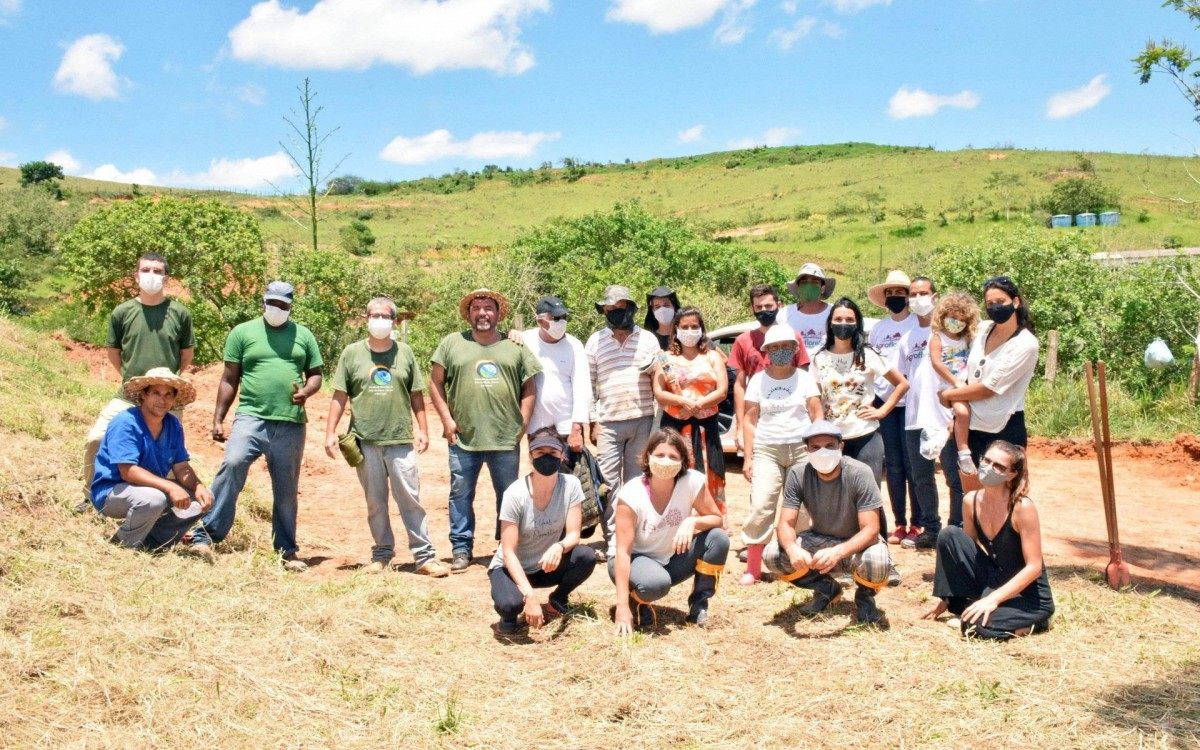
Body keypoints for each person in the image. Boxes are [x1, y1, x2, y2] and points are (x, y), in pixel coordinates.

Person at [189, 281, 323, 571]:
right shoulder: (243, 333)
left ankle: (286, 550)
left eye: (283, 305)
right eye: (271, 303)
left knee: (286, 488)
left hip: (290, 423)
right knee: (233, 464)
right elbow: (228, 378)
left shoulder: (304, 335)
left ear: (291, 306)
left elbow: (316, 374)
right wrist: (218, 418)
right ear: (263, 302)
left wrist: (307, 392)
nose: (276, 309)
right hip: (251, 417)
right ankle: (206, 534)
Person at [325, 298, 450, 578]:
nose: (379, 320)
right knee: (375, 502)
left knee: (410, 500)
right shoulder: (352, 353)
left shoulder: (404, 353)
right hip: (365, 440)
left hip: (399, 441)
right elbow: (340, 395)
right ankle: (382, 555)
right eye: (374, 315)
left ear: (394, 322)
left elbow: (416, 393)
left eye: (385, 316)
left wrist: (423, 428)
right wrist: (330, 431)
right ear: (365, 318)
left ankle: (424, 557)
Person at [429, 288, 542, 572]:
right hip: (463, 436)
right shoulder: (451, 343)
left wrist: (523, 423)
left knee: (508, 495)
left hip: (505, 437)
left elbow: (530, 386)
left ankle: (506, 547)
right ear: (468, 314)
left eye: (488, 308)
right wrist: (446, 420)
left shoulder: (514, 346)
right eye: (476, 308)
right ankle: (461, 548)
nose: (482, 313)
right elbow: (434, 383)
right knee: (461, 494)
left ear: (498, 313)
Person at [83, 252, 195, 503]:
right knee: (96, 438)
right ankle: (91, 495)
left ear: (166, 277)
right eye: (146, 270)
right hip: (129, 395)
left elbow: (186, 354)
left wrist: (166, 383)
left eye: (157, 271)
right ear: (136, 275)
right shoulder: (122, 311)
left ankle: (164, 506)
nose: (151, 275)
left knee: (167, 456)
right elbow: (114, 352)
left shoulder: (180, 313)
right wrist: (132, 380)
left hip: (167, 398)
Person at [762, 421, 892, 625]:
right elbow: (785, 523)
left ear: (841, 447)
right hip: (819, 538)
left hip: (856, 544)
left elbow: (871, 529)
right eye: (815, 447)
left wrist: (839, 552)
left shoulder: (860, 472)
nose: (823, 451)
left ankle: (865, 597)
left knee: (877, 562)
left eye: (830, 446)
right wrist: (793, 549)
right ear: (807, 450)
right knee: (773, 555)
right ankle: (826, 589)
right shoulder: (798, 473)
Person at [923, 441, 1054, 640]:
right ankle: (972, 606)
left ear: (1011, 474)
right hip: (995, 579)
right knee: (949, 535)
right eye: (987, 460)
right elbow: (965, 550)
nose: (988, 468)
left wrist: (992, 599)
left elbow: (1034, 567)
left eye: (998, 466)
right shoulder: (971, 501)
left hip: (1028, 596)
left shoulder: (1022, 507)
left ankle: (1035, 623)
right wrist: (948, 597)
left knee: (973, 626)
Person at [610, 428, 728, 634]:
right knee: (656, 584)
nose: (666, 461)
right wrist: (621, 606)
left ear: (683, 460)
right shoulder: (631, 494)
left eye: (673, 456)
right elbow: (622, 552)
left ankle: (699, 604)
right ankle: (633, 599)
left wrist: (692, 522)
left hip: (670, 556)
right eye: (660, 455)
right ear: (648, 457)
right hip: (634, 559)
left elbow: (717, 519)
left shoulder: (692, 481)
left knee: (718, 539)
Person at [488, 430, 599, 634]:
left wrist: (559, 546)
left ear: (562, 455)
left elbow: (574, 534)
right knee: (510, 606)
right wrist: (530, 596)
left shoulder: (571, 485)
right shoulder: (515, 494)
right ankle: (509, 615)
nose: (546, 456)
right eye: (540, 452)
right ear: (530, 456)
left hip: (546, 565)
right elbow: (508, 553)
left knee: (586, 556)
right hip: (511, 568)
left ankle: (557, 600)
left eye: (552, 451)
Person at [91, 368, 212, 551]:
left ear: (174, 399)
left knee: (203, 499)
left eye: (168, 395)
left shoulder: (173, 425)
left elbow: (181, 467)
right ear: (144, 395)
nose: (162, 400)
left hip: (153, 488)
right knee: (154, 499)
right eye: (156, 393)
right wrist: (171, 487)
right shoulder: (126, 421)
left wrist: (198, 486)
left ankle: (152, 545)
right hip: (112, 491)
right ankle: (122, 546)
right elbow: (128, 471)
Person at [738, 325, 822, 585]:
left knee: (804, 508)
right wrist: (748, 457)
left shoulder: (805, 378)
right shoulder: (757, 380)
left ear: (796, 349)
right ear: (766, 352)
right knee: (762, 504)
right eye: (775, 347)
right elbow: (750, 421)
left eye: (786, 346)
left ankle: (799, 563)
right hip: (767, 449)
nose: (781, 351)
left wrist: (816, 448)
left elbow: (817, 414)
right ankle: (753, 567)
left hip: (800, 448)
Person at [939, 276, 1039, 465]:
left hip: (1004, 428)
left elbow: (988, 389)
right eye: (990, 303)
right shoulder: (982, 330)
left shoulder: (1026, 344)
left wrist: (949, 395)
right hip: (970, 427)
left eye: (1000, 302)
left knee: (1002, 492)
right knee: (971, 492)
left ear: (1015, 302)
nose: (995, 307)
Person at [585, 285, 661, 515]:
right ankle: (612, 543)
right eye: (610, 308)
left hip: (643, 419)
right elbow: (588, 385)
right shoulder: (595, 341)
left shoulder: (648, 339)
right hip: (608, 422)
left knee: (637, 482)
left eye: (620, 307)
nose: (615, 312)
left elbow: (661, 375)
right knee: (607, 484)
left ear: (631, 308)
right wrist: (593, 421)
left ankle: (634, 536)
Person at [898, 276, 962, 549]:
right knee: (921, 477)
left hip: (946, 415)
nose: (917, 299)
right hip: (915, 416)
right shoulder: (907, 337)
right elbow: (902, 377)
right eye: (913, 294)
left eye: (923, 293)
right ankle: (931, 529)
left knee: (954, 476)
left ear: (935, 296)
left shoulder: (950, 331)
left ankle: (957, 530)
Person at [652, 306, 729, 520]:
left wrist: (698, 405)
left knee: (710, 472)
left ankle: (712, 520)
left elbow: (722, 391)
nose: (690, 330)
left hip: (706, 427)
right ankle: (675, 520)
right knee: (675, 471)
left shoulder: (712, 356)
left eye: (694, 326)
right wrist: (682, 401)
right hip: (675, 426)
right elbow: (659, 392)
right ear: (676, 329)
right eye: (684, 327)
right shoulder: (665, 358)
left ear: (701, 329)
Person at [866, 269, 919, 542]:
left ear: (908, 296)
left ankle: (918, 523)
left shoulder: (918, 325)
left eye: (900, 292)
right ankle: (899, 523)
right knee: (894, 466)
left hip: (913, 403)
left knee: (915, 466)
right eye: (891, 293)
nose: (895, 297)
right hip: (885, 403)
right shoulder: (878, 329)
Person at [728, 283, 811, 455]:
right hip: (757, 417)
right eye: (758, 307)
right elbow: (740, 385)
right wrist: (740, 424)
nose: (764, 310)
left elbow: (804, 378)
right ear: (752, 308)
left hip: (792, 418)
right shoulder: (743, 341)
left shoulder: (793, 337)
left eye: (768, 306)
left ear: (778, 305)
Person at [520, 295, 591, 468]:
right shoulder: (524, 340)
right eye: (556, 318)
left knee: (569, 475)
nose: (562, 322)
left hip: (566, 426)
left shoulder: (574, 346)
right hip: (536, 425)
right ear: (540, 321)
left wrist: (577, 428)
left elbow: (582, 387)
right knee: (542, 472)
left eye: (564, 317)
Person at [925, 292, 981, 478]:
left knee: (965, 415)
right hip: (949, 385)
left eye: (961, 318)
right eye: (952, 317)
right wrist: (954, 381)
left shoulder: (966, 339)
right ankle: (963, 452)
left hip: (966, 383)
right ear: (943, 315)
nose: (956, 321)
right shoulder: (937, 337)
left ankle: (954, 430)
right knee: (963, 412)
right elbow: (937, 363)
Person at [783, 263, 835, 354]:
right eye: (804, 282)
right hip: (795, 367)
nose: (809, 285)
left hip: (825, 366)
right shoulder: (784, 314)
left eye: (815, 281)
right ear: (798, 287)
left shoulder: (834, 313)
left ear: (822, 288)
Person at [644, 285, 682, 350]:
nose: (662, 310)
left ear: (674, 307)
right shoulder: (648, 338)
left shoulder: (684, 335)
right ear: (653, 310)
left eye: (666, 305)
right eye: (657, 307)